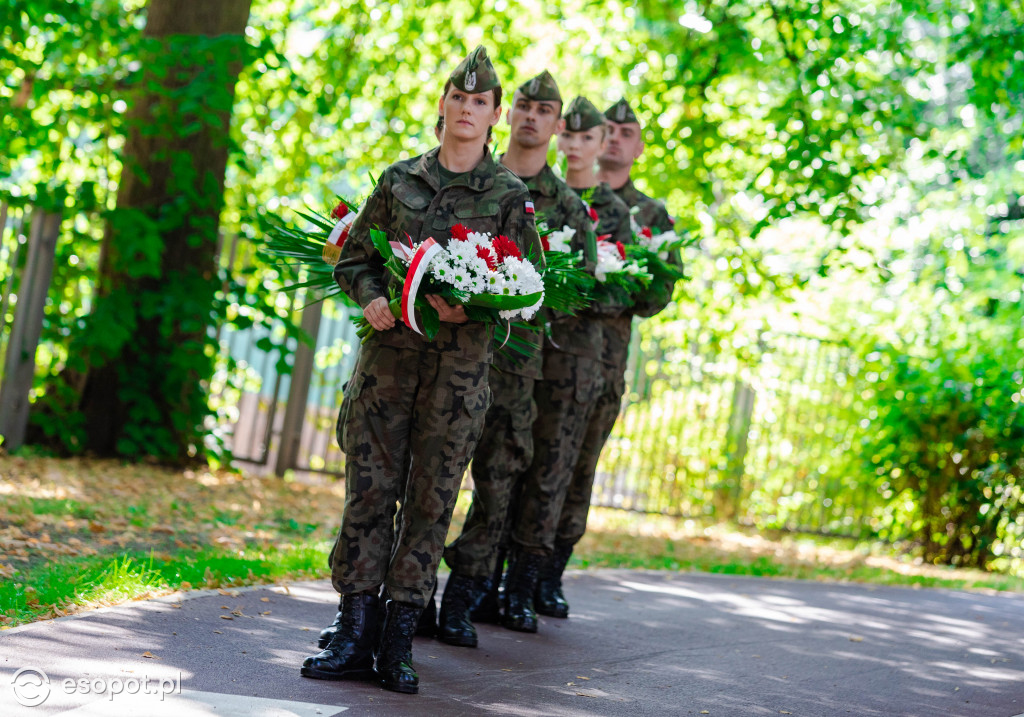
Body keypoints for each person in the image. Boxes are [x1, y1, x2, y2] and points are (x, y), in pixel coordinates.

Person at [300, 46, 541, 695]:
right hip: (387, 369)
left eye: (480, 101)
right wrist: (372, 297)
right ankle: (353, 630)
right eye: (457, 98)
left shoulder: (509, 196)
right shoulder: (399, 179)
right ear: (443, 104)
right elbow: (353, 260)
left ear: (494, 114)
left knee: (431, 501)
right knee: (370, 492)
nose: (467, 109)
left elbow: (528, 288)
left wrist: (470, 310)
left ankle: (397, 641)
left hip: (458, 381)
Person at [435, 70, 593, 646]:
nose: (531, 115)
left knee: (498, 482)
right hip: (447, 357)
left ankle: (464, 596)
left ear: (555, 123)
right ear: (510, 113)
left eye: (542, 109)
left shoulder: (569, 209)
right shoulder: (473, 179)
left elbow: (574, 301)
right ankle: (414, 594)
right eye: (523, 105)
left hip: (519, 367)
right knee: (432, 479)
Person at [536, 97, 680, 620]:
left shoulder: (648, 215)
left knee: (575, 469)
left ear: (638, 146)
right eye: (608, 129)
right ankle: (504, 571)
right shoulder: (556, 193)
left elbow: (656, 293)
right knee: (525, 465)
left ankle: (549, 572)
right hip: (538, 355)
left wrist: (600, 284)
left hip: (599, 367)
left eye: (626, 131)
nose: (615, 137)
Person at [501, 95, 630, 633]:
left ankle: (535, 578)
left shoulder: (614, 214)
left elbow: (636, 291)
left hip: (582, 365)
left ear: (600, 145)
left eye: (586, 137)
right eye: (569, 136)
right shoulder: (524, 190)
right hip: (522, 350)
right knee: (508, 465)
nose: (576, 146)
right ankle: (486, 577)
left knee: (560, 473)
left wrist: (576, 289)